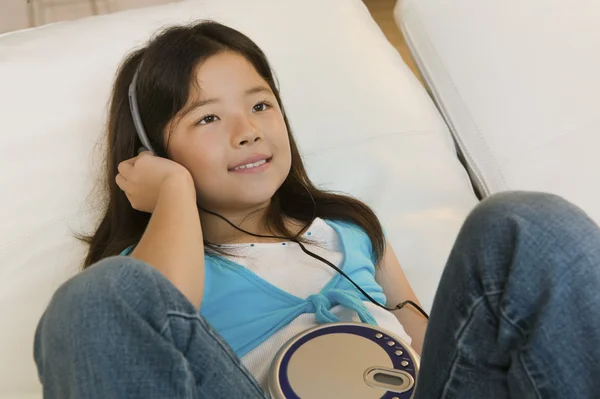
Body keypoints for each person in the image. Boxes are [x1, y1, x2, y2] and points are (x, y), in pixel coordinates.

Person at [33, 21, 600, 399]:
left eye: (260, 104)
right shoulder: (153, 271)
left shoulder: (350, 230)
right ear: (152, 153)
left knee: (525, 224)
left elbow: (435, 348)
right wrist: (176, 195)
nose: (247, 130)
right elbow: (139, 315)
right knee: (95, 299)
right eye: (207, 118)